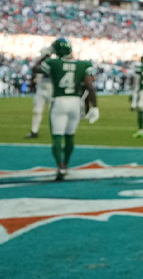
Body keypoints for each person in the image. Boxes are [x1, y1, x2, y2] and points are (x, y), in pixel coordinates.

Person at [38, 38, 98, 180]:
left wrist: (47, 54)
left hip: (59, 100)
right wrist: (95, 107)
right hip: (75, 102)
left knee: (57, 137)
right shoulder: (84, 64)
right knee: (70, 136)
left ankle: (60, 167)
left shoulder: (53, 63)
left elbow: (36, 68)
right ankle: (66, 163)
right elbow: (90, 86)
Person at [26, 45, 55, 139]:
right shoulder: (41, 63)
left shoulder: (53, 63)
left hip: (51, 89)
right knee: (37, 111)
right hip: (41, 89)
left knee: (53, 112)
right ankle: (34, 131)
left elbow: (37, 69)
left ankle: (55, 131)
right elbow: (34, 70)